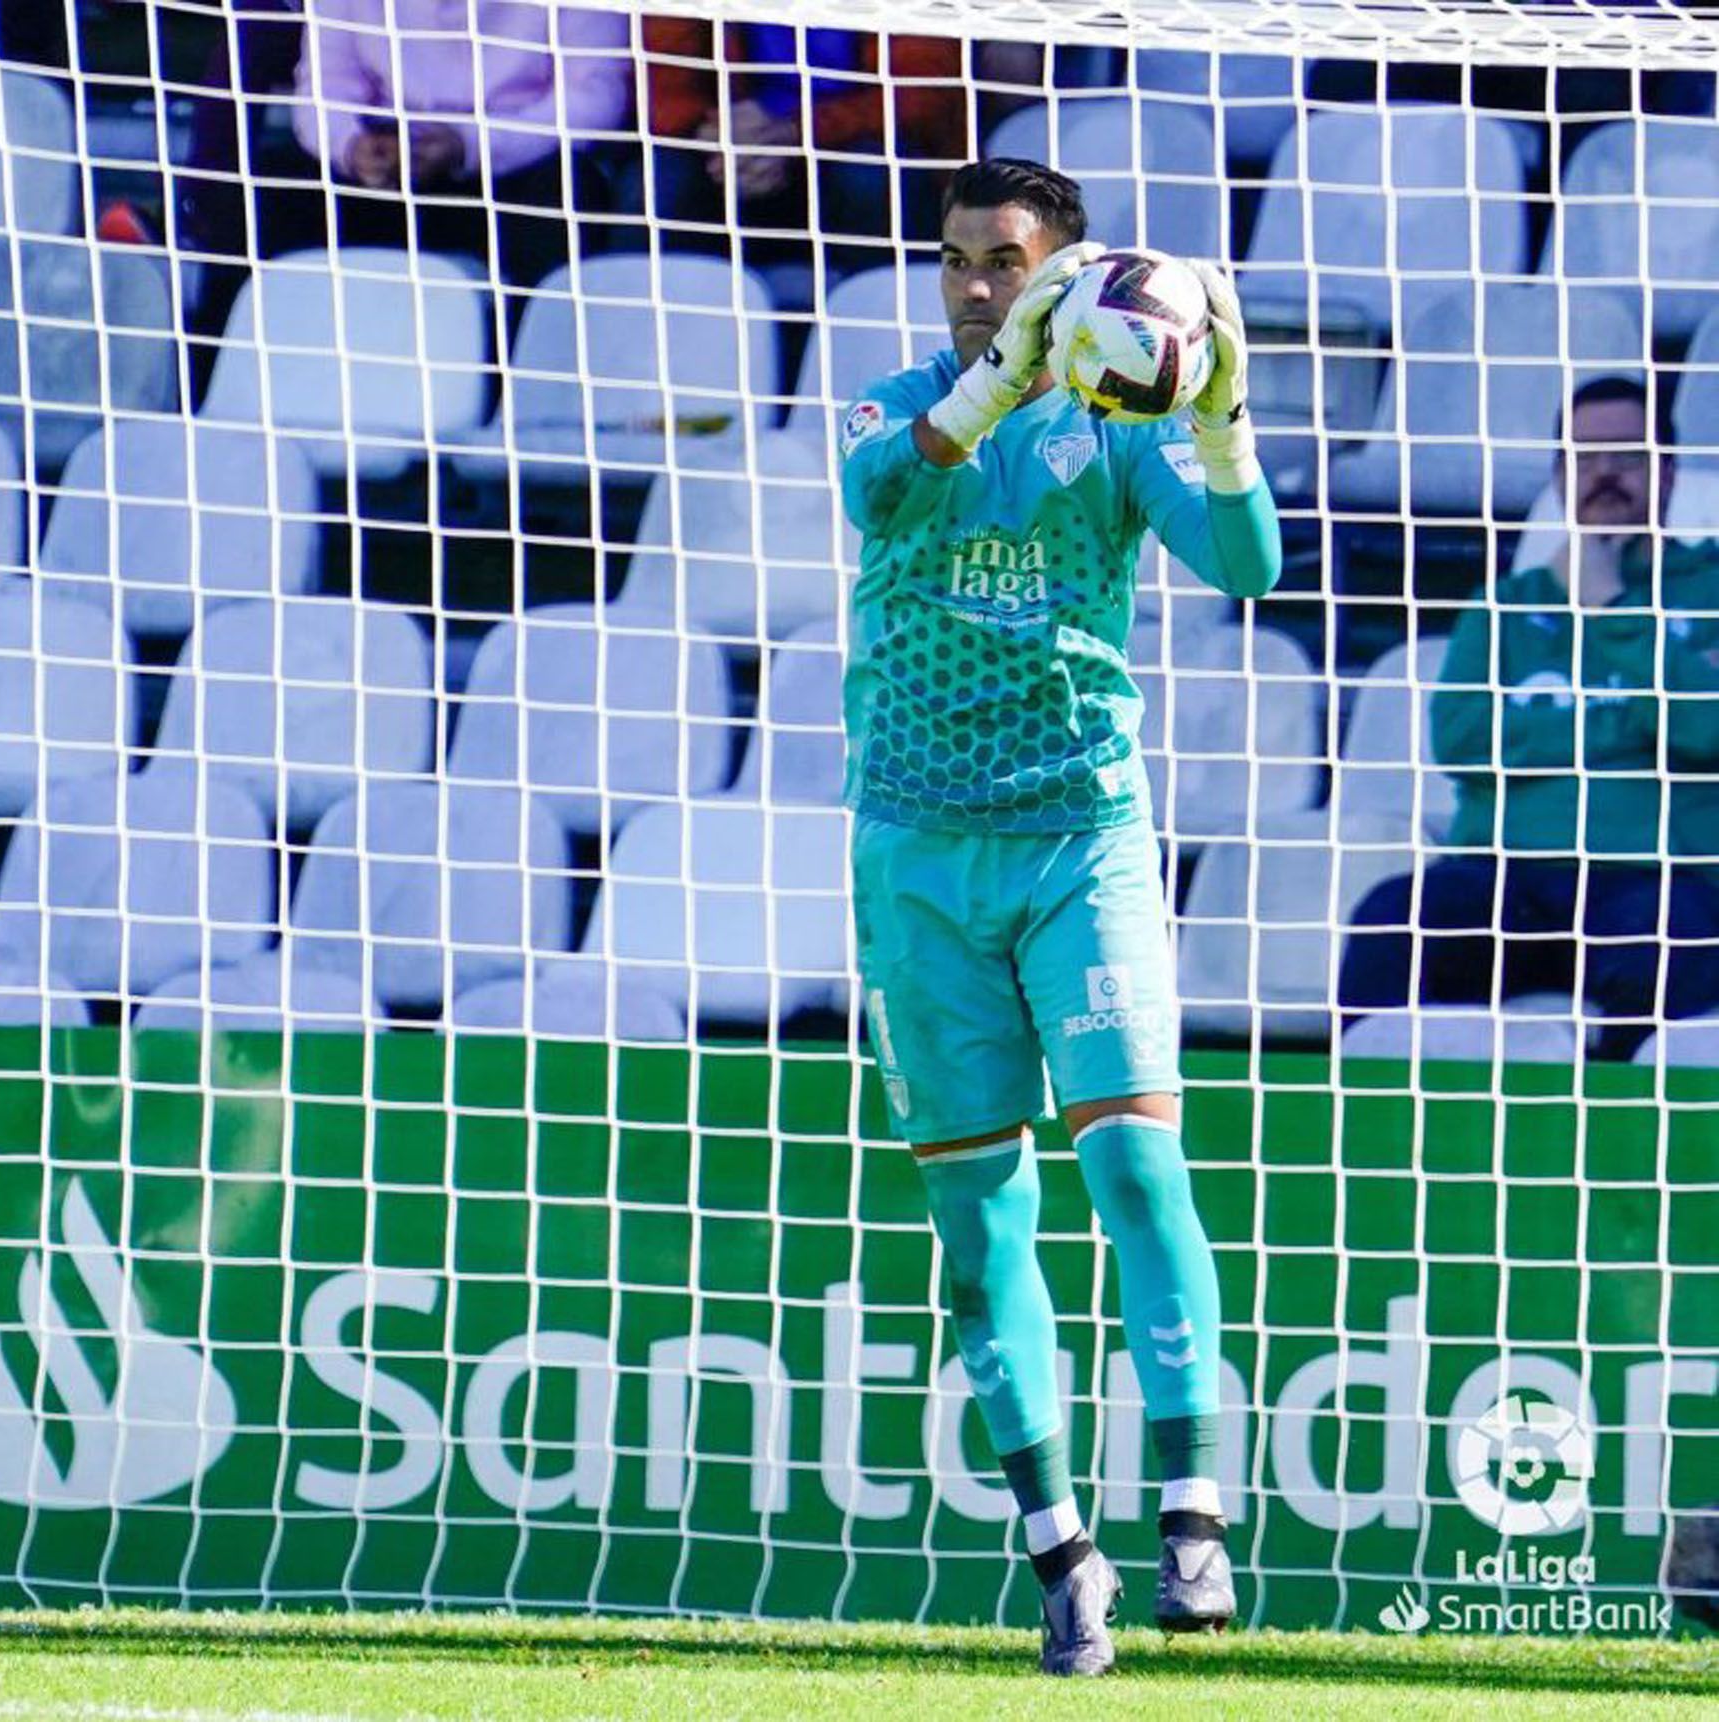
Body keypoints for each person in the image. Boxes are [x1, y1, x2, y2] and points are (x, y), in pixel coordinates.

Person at [836, 159, 1282, 1675]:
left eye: (1008, 262)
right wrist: (996, 382)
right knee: (980, 1227)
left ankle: (1194, 1511)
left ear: (1068, 273)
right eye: (958, 261)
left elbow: (1248, 564)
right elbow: (882, 494)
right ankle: (1059, 1551)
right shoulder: (893, 403)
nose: (975, 287)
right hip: (916, 857)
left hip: (1081, 838)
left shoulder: (1121, 425)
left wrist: (1220, 421)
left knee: (1140, 1164)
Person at [1338, 376, 1719, 1051]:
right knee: (1394, 920)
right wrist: (1637, 721)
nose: (1604, 474)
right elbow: (1465, 742)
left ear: (1666, 471)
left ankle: (1637, 1149)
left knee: (1675, 954)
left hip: (1661, 877)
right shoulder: (1506, 605)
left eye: (1627, 455)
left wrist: (1609, 608)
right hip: (1506, 875)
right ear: (1558, 476)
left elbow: (1707, 729)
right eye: (1583, 457)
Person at [291, 0, 632, 292]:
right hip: (390, 156)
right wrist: (350, 146)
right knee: (295, 191)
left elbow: (596, 99)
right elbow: (323, 87)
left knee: (565, 191)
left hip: (522, 153)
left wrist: (468, 143)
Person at [626, 21, 966, 277]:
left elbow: (922, 93)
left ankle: (887, 340)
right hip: (739, 149)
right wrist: (715, 134)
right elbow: (664, 77)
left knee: (870, 175)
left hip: (854, 146)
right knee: (657, 179)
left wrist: (795, 131)